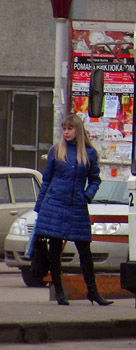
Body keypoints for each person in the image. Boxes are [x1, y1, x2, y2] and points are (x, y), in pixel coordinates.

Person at [33, 114, 113, 306]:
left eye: (70, 128)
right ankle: (60, 292)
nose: (66, 132)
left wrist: (87, 195)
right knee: (54, 251)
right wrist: (40, 207)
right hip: (55, 205)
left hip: (77, 206)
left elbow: (95, 179)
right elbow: (47, 180)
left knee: (84, 250)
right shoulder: (57, 150)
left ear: (78, 130)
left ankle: (92, 292)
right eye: (64, 129)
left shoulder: (88, 153)